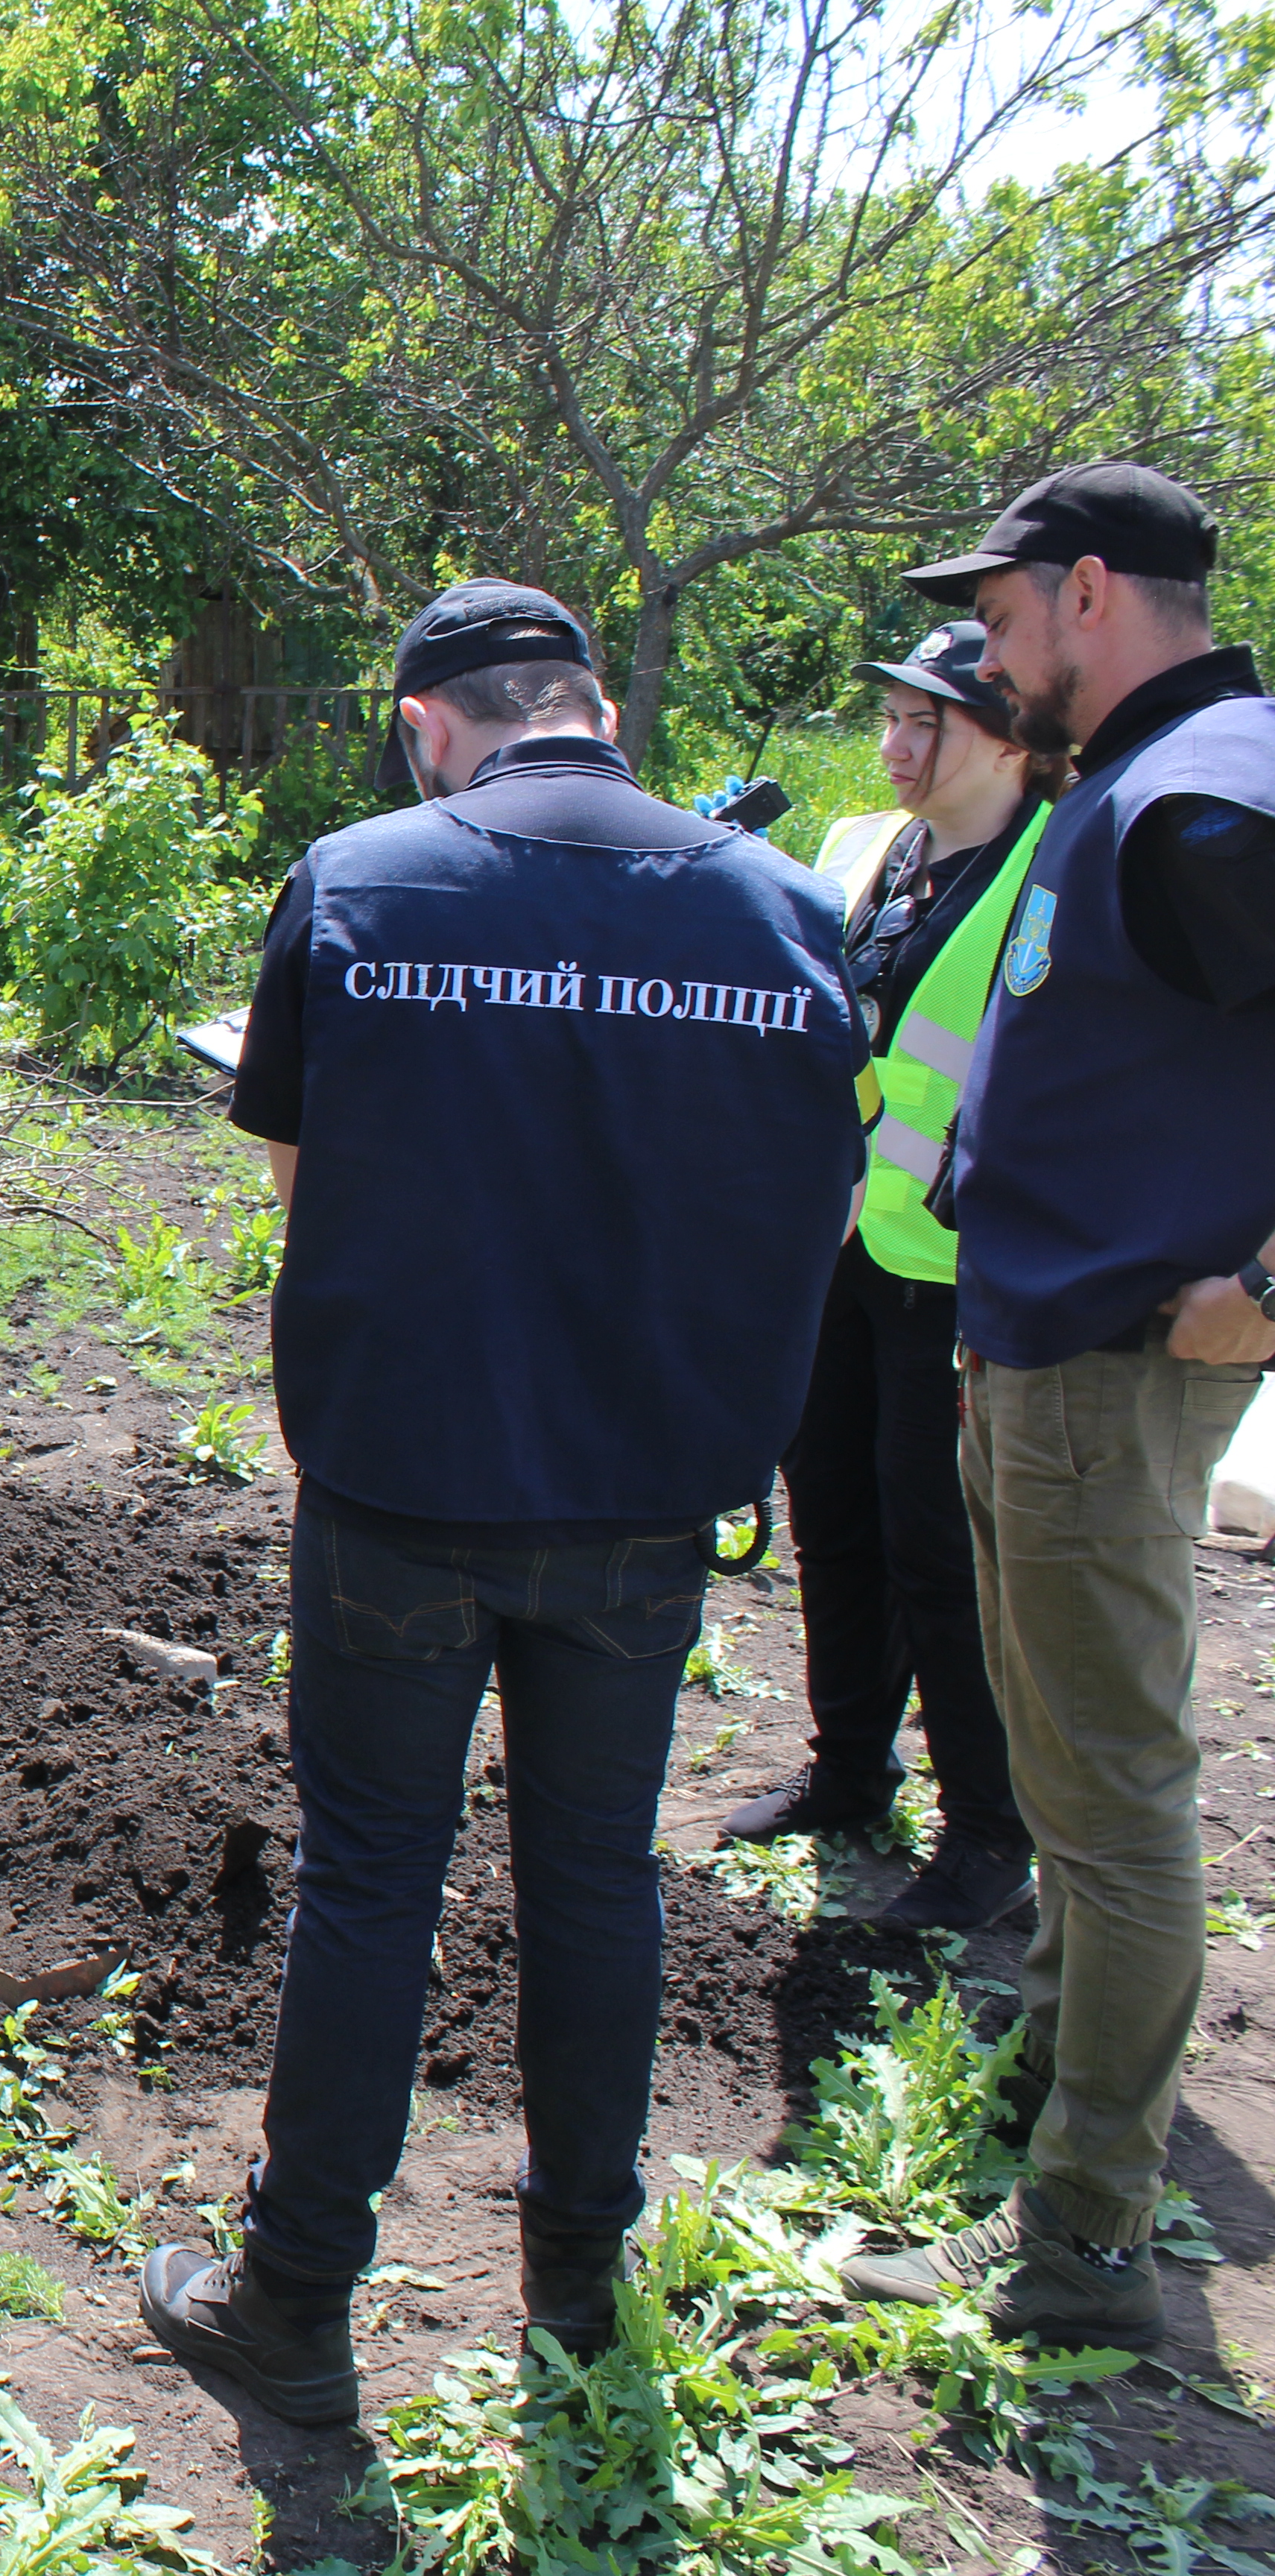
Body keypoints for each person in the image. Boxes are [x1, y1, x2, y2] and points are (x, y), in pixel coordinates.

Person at [140, 581, 864, 2424]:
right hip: (636, 1484)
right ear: (597, 708)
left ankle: (295, 2298)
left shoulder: (363, 879)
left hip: (404, 1471)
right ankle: (578, 2274)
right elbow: (803, 1190)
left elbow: (302, 1164)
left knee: (370, 1876)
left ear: (422, 723)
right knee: (596, 1870)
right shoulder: (777, 905)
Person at [838, 462, 1275, 2343]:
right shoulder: (1129, 778)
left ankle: (1083, 2228)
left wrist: (1263, 1291)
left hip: (1112, 1365)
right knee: (1067, 1772)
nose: (986, 655)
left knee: (1109, 1804)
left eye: (1000, 618)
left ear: (1088, 589)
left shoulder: (1209, 795)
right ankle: (1034, 2120)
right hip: (1029, 1346)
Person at [715, 622, 1057, 1928]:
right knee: (833, 1518)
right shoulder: (865, 846)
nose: (896, 746)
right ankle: (848, 1767)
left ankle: (985, 1832)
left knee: (939, 1550)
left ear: (1009, 739)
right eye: (891, 719)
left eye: (931, 725)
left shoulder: (1052, 873)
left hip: (961, 1278)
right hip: (837, 1247)